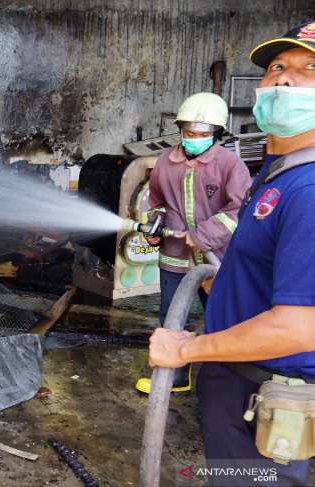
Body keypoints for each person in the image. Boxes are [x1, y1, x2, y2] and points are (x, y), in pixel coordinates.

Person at [148, 20, 315, 486]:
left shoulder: (307, 187)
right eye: (277, 66)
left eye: (310, 69)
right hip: (237, 377)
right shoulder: (278, 172)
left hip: (270, 388)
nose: (284, 78)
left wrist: (189, 348)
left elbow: (301, 325)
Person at [135, 92, 251, 394]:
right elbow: (156, 202)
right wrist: (155, 226)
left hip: (217, 259)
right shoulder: (166, 161)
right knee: (172, 316)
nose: (194, 139)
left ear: (216, 135)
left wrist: (202, 235)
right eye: (189, 133)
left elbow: (238, 211)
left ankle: (224, 382)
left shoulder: (230, 165)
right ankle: (175, 376)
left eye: (202, 134)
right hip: (175, 257)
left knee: (222, 317)